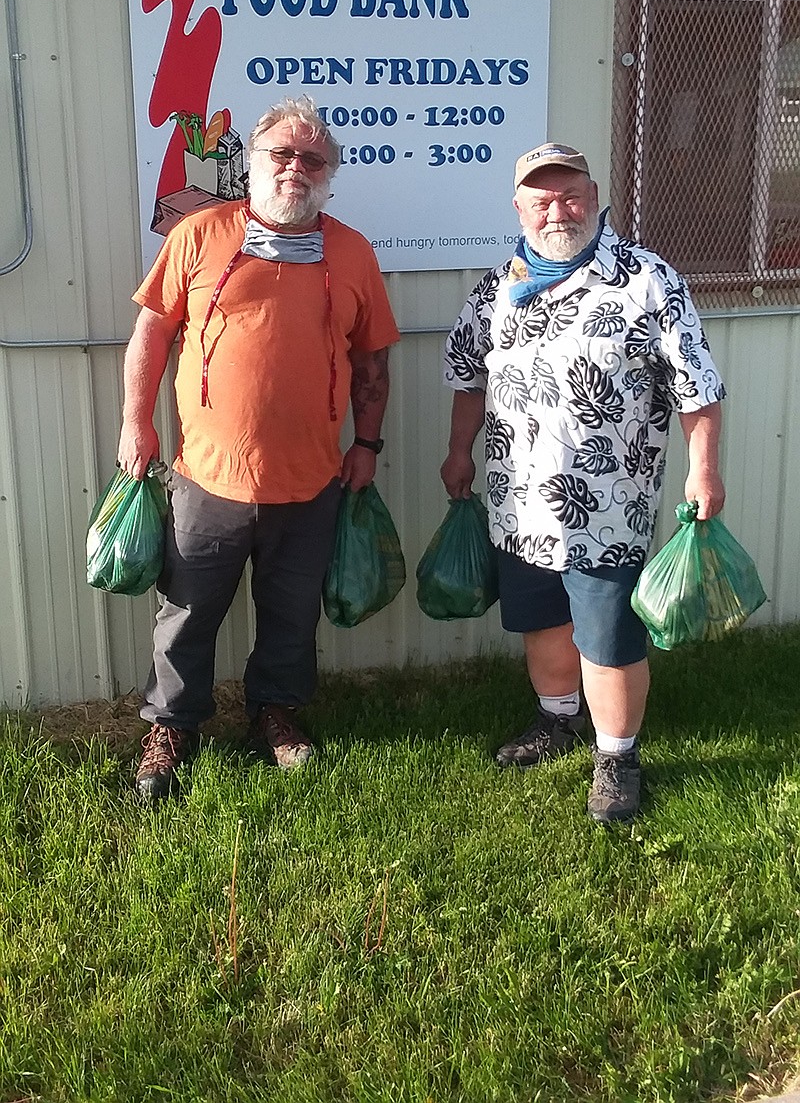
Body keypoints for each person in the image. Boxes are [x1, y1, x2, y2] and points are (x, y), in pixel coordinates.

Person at [119, 96, 400, 800]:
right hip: (206, 477)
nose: (295, 169)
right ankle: (172, 726)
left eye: (312, 159)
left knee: (291, 610)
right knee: (186, 611)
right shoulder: (200, 234)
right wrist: (136, 423)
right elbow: (151, 333)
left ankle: (275, 712)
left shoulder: (354, 250)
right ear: (254, 161)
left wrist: (367, 442)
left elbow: (372, 360)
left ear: (330, 173)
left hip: (312, 480)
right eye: (282, 154)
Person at [441, 142, 725, 824]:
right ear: (520, 208)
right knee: (542, 622)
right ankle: (556, 719)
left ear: (596, 197)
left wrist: (704, 469)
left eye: (570, 195)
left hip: (609, 508)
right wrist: (458, 452)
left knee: (608, 637)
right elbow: (467, 376)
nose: (557, 210)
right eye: (541, 199)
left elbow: (698, 388)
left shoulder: (647, 279)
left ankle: (618, 757)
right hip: (517, 504)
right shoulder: (499, 286)